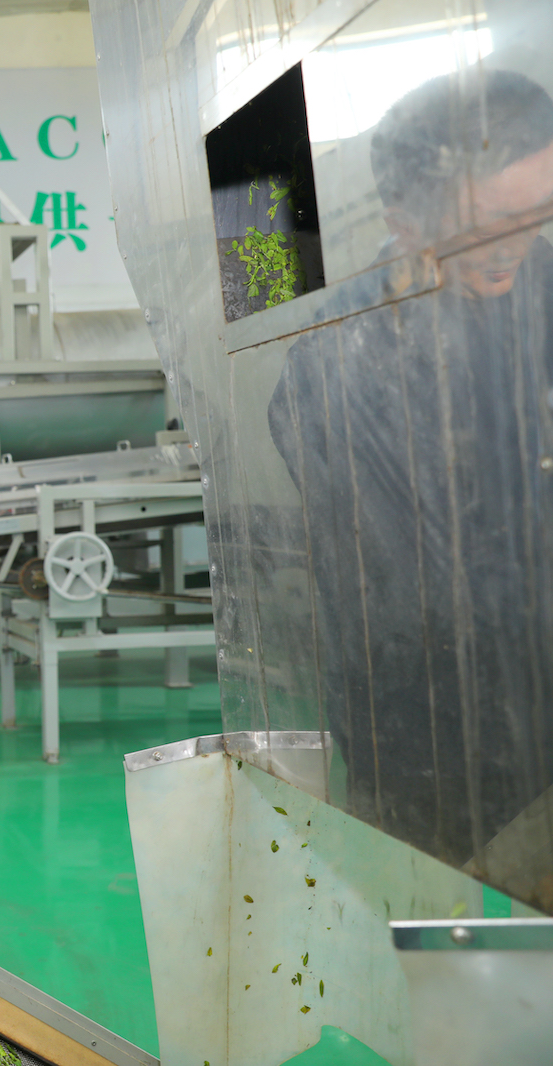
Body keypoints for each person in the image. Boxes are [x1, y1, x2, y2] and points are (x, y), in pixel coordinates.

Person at [267, 69, 553, 877]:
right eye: (489, 224)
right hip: (432, 749)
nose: (517, 243)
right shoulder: (340, 358)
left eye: (540, 212)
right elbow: (412, 593)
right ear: (404, 220)